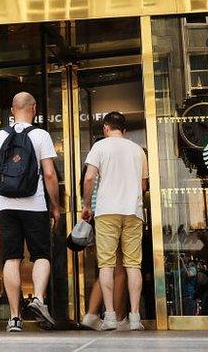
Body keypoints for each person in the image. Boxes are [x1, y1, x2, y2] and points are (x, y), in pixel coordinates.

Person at [0, 92, 60, 332]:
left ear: (12, 110)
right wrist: (55, 206)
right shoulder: (41, 135)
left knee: (11, 257)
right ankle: (37, 297)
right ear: (34, 108)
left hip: (7, 206)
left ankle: (14, 318)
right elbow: (49, 174)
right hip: (35, 205)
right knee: (41, 254)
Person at [81, 111, 147, 331]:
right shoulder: (138, 150)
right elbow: (144, 185)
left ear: (105, 128)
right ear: (125, 130)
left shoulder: (100, 147)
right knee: (133, 265)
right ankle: (135, 317)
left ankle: (109, 317)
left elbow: (89, 177)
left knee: (107, 265)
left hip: (107, 210)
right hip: (133, 211)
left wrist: (86, 204)